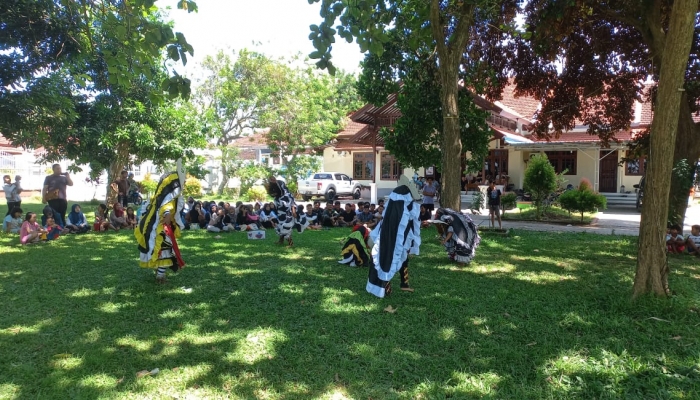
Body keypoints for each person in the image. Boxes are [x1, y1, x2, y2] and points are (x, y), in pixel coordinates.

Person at [366, 175, 422, 298]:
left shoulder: (410, 206)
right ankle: (386, 288)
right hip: (388, 239)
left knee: (403, 260)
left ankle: (404, 283)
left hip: (403, 240)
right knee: (387, 260)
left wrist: (412, 244)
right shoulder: (395, 208)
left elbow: (414, 224)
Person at [135, 164, 186, 283]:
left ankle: (159, 273)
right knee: (164, 251)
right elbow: (165, 207)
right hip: (161, 229)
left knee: (161, 251)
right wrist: (167, 215)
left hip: (159, 227)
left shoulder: (163, 197)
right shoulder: (167, 198)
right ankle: (160, 276)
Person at [265, 177, 299, 246]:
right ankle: (281, 240)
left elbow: (292, 203)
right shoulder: (277, 197)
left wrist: (294, 212)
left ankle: (291, 243)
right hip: (280, 214)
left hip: (287, 214)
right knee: (280, 226)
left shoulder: (286, 195)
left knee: (285, 227)